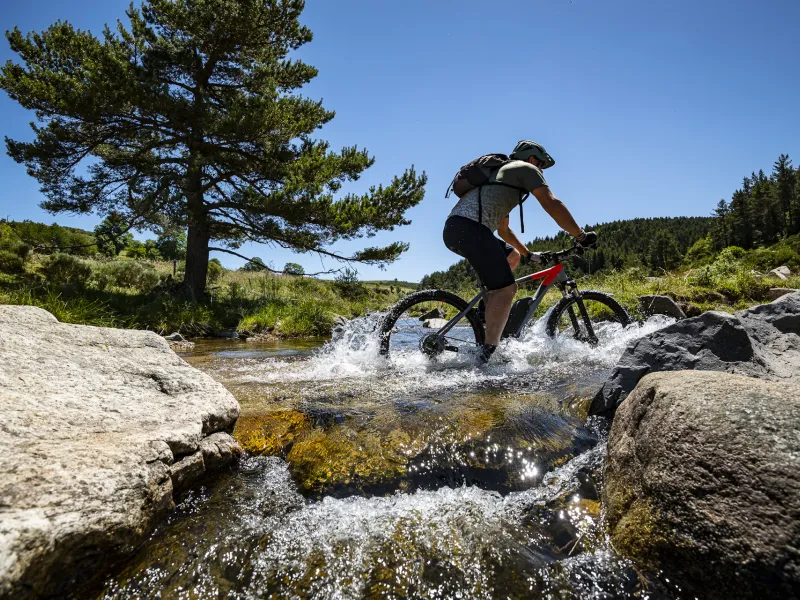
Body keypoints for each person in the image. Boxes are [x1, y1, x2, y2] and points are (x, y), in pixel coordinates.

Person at [442, 140, 597, 363]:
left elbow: (503, 229)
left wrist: (527, 254)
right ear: (533, 159)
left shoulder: (501, 178)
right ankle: (487, 356)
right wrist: (580, 236)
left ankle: (485, 313)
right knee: (507, 288)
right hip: (469, 229)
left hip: (458, 229)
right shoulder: (525, 169)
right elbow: (551, 203)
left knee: (511, 256)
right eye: (541, 165)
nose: (541, 170)